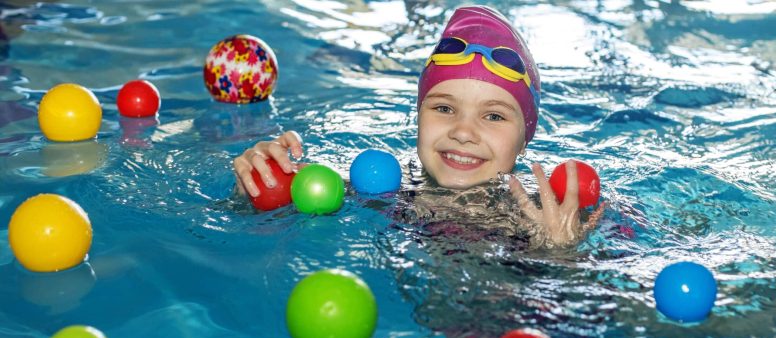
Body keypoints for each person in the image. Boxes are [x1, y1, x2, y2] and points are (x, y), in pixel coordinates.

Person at [232, 5, 605, 248]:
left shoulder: (550, 216)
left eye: (493, 116)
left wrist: (561, 255)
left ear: (525, 138)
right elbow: (267, 222)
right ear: (418, 115)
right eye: (444, 107)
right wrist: (259, 183)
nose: (463, 131)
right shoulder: (378, 188)